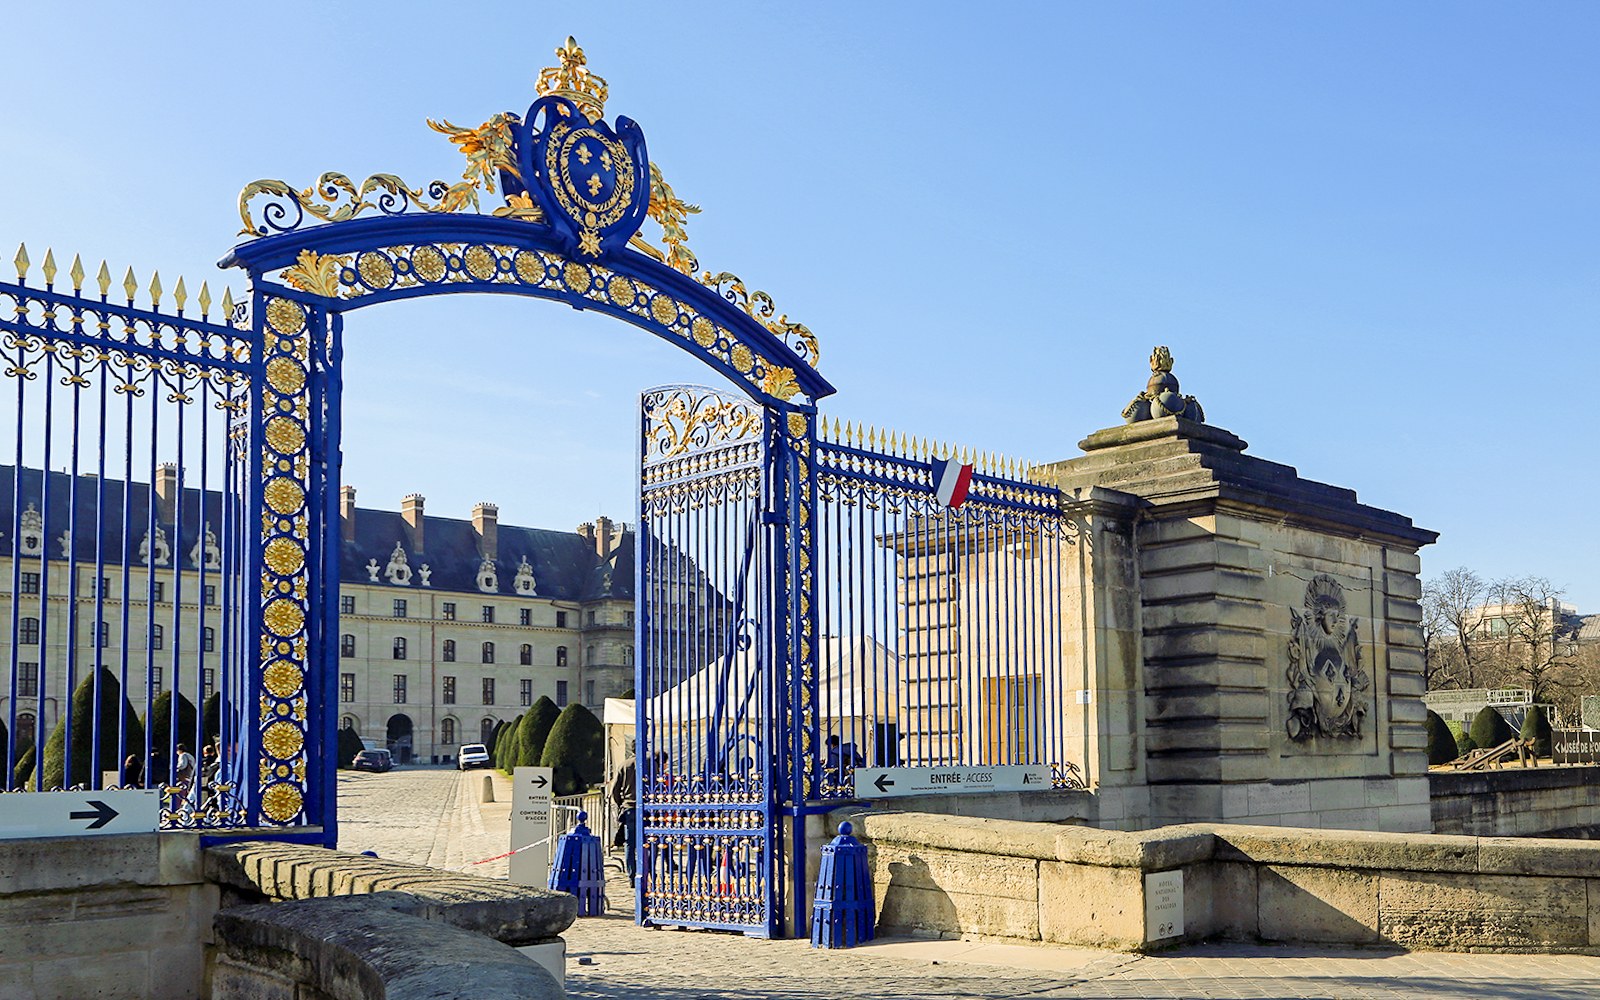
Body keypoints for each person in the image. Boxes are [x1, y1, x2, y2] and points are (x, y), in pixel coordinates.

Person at [609, 754, 638, 882]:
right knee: (648, 843)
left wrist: (621, 803)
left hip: (629, 807)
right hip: (645, 808)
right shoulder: (650, 764)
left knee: (630, 843)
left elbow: (615, 789)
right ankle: (646, 873)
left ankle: (632, 875)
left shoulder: (624, 765)